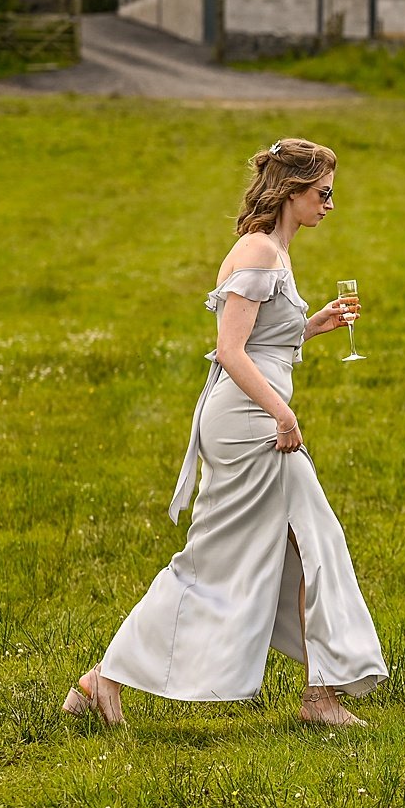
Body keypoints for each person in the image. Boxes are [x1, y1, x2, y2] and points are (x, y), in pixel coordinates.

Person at [64, 138, 386, 727]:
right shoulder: (259, 252)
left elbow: (264, 341)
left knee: (308, 544)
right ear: (293, 191)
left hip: (256, 417)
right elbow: (231, 352)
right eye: (324, 193)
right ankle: (103, 677)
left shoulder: (277, 252)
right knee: (220, 559)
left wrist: (313, 326)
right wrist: (283, 417)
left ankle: (320, 695)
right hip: (247, 425)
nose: (330, 204)